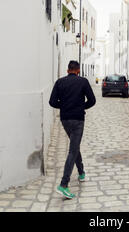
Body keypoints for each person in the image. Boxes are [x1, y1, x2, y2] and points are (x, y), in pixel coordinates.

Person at [49, 60, 96, 199]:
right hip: (78, 120)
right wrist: (81, 107)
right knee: (73, 150)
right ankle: (63, 184)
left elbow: (52, 102)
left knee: (75, 146)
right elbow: (92, 100)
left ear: (68, 69)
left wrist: (64, 107)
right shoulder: (83, 82)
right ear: (78, 70)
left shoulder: (59, 82)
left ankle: (81, 173)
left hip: (65, 120)